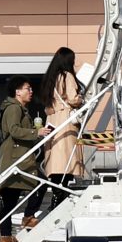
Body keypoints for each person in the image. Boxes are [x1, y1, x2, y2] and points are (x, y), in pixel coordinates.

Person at [0, 79, 44, 242]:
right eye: (27, 88)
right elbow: (14, 130)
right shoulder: (14, 108)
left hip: (17, 158)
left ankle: (7, 235)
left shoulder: (19, 108)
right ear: (17, 91)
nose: (31, 91)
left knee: (10, 200)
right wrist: (36, 133)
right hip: (16, 159)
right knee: (40, 184)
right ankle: (26, 218)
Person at [41, 45, 86, 200]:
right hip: (66, 121)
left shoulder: (50, 78)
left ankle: (56, 193)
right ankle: (60, 196)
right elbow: (73, 99)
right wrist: (82, 99)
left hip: (53, 120)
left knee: (56, 163)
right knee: (67, 160)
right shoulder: (67, 76)